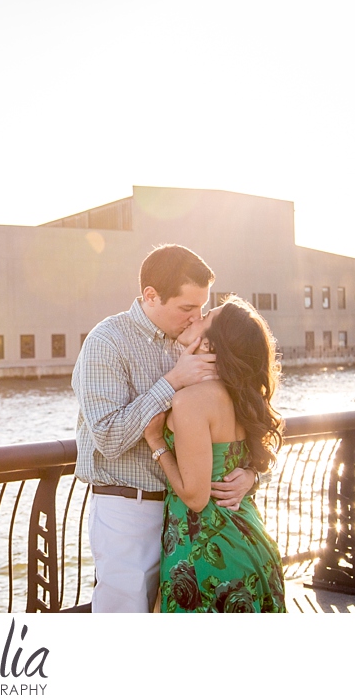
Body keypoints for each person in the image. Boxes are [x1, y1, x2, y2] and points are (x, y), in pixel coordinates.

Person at [73, 244, 258, 613]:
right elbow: (108, 437)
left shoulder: (196, 340)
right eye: (187, 308)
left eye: (202, 309)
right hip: (129, 508)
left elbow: (241, 418)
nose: (195, 318)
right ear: (151, 296)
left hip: (190, 518)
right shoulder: (106, 342)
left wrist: (252, 473)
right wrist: (171, 382)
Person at [144, 295, 286, 612]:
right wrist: (252, 475)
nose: (196, 316)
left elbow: (195, 497)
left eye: (205, 316)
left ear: (210, 346)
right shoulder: (238, 394)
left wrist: (156, 443)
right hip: (250, 541)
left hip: (208, 555)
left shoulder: (191, 401)